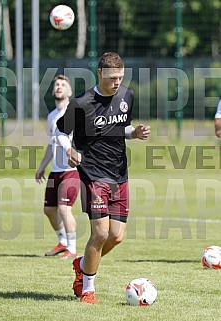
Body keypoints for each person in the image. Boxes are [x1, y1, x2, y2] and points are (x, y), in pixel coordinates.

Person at [57, 52, 150, 303]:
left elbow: (119, 128)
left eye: (120, 77)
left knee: (116, 236)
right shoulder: (81, 103)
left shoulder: (126, 96)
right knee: (99, 234)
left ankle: (82, 264)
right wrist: (68, 149)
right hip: (93, 173)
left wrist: (135, 132)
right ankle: (87, 289)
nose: (117, 82)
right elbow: (61, 131)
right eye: (112, 78)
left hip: (119, 174)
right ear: (100, 73)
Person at [35, 75, 80, 259]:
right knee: (49, 210)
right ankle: (62, 241)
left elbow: (81, 139)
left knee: (64, 208)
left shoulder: (74, 112)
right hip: (55, 171)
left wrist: (66, 140)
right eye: (56, 84)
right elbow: (50, 145)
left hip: (71, 170)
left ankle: (73, 248)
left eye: (63, 85)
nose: (59, 87)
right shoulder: (52, 115)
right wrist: (41, 167)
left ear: (69, 92)